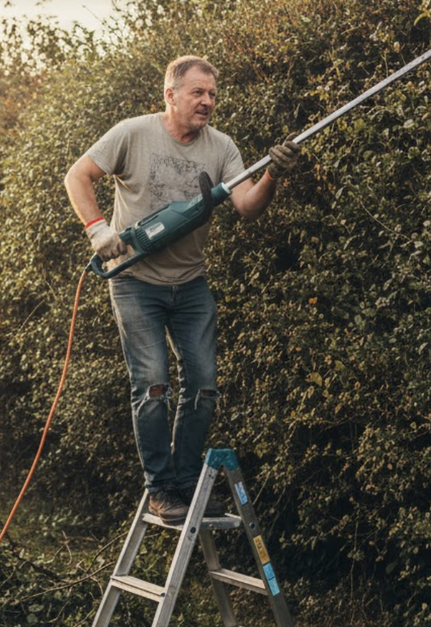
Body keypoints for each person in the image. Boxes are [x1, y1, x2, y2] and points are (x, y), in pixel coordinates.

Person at [64, 56, 301, 524]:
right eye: (198, 93)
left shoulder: (223, 148)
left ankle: (188, 483)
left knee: (205, 388)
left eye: (212, 94)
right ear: (170, 95)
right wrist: (96, 228)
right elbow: (78, 176)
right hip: (135, 282)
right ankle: (161, 488)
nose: (208, 102)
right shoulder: (133, 133)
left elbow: (248, 206)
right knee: (153, 387)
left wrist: (274, 173)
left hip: (190, 285)